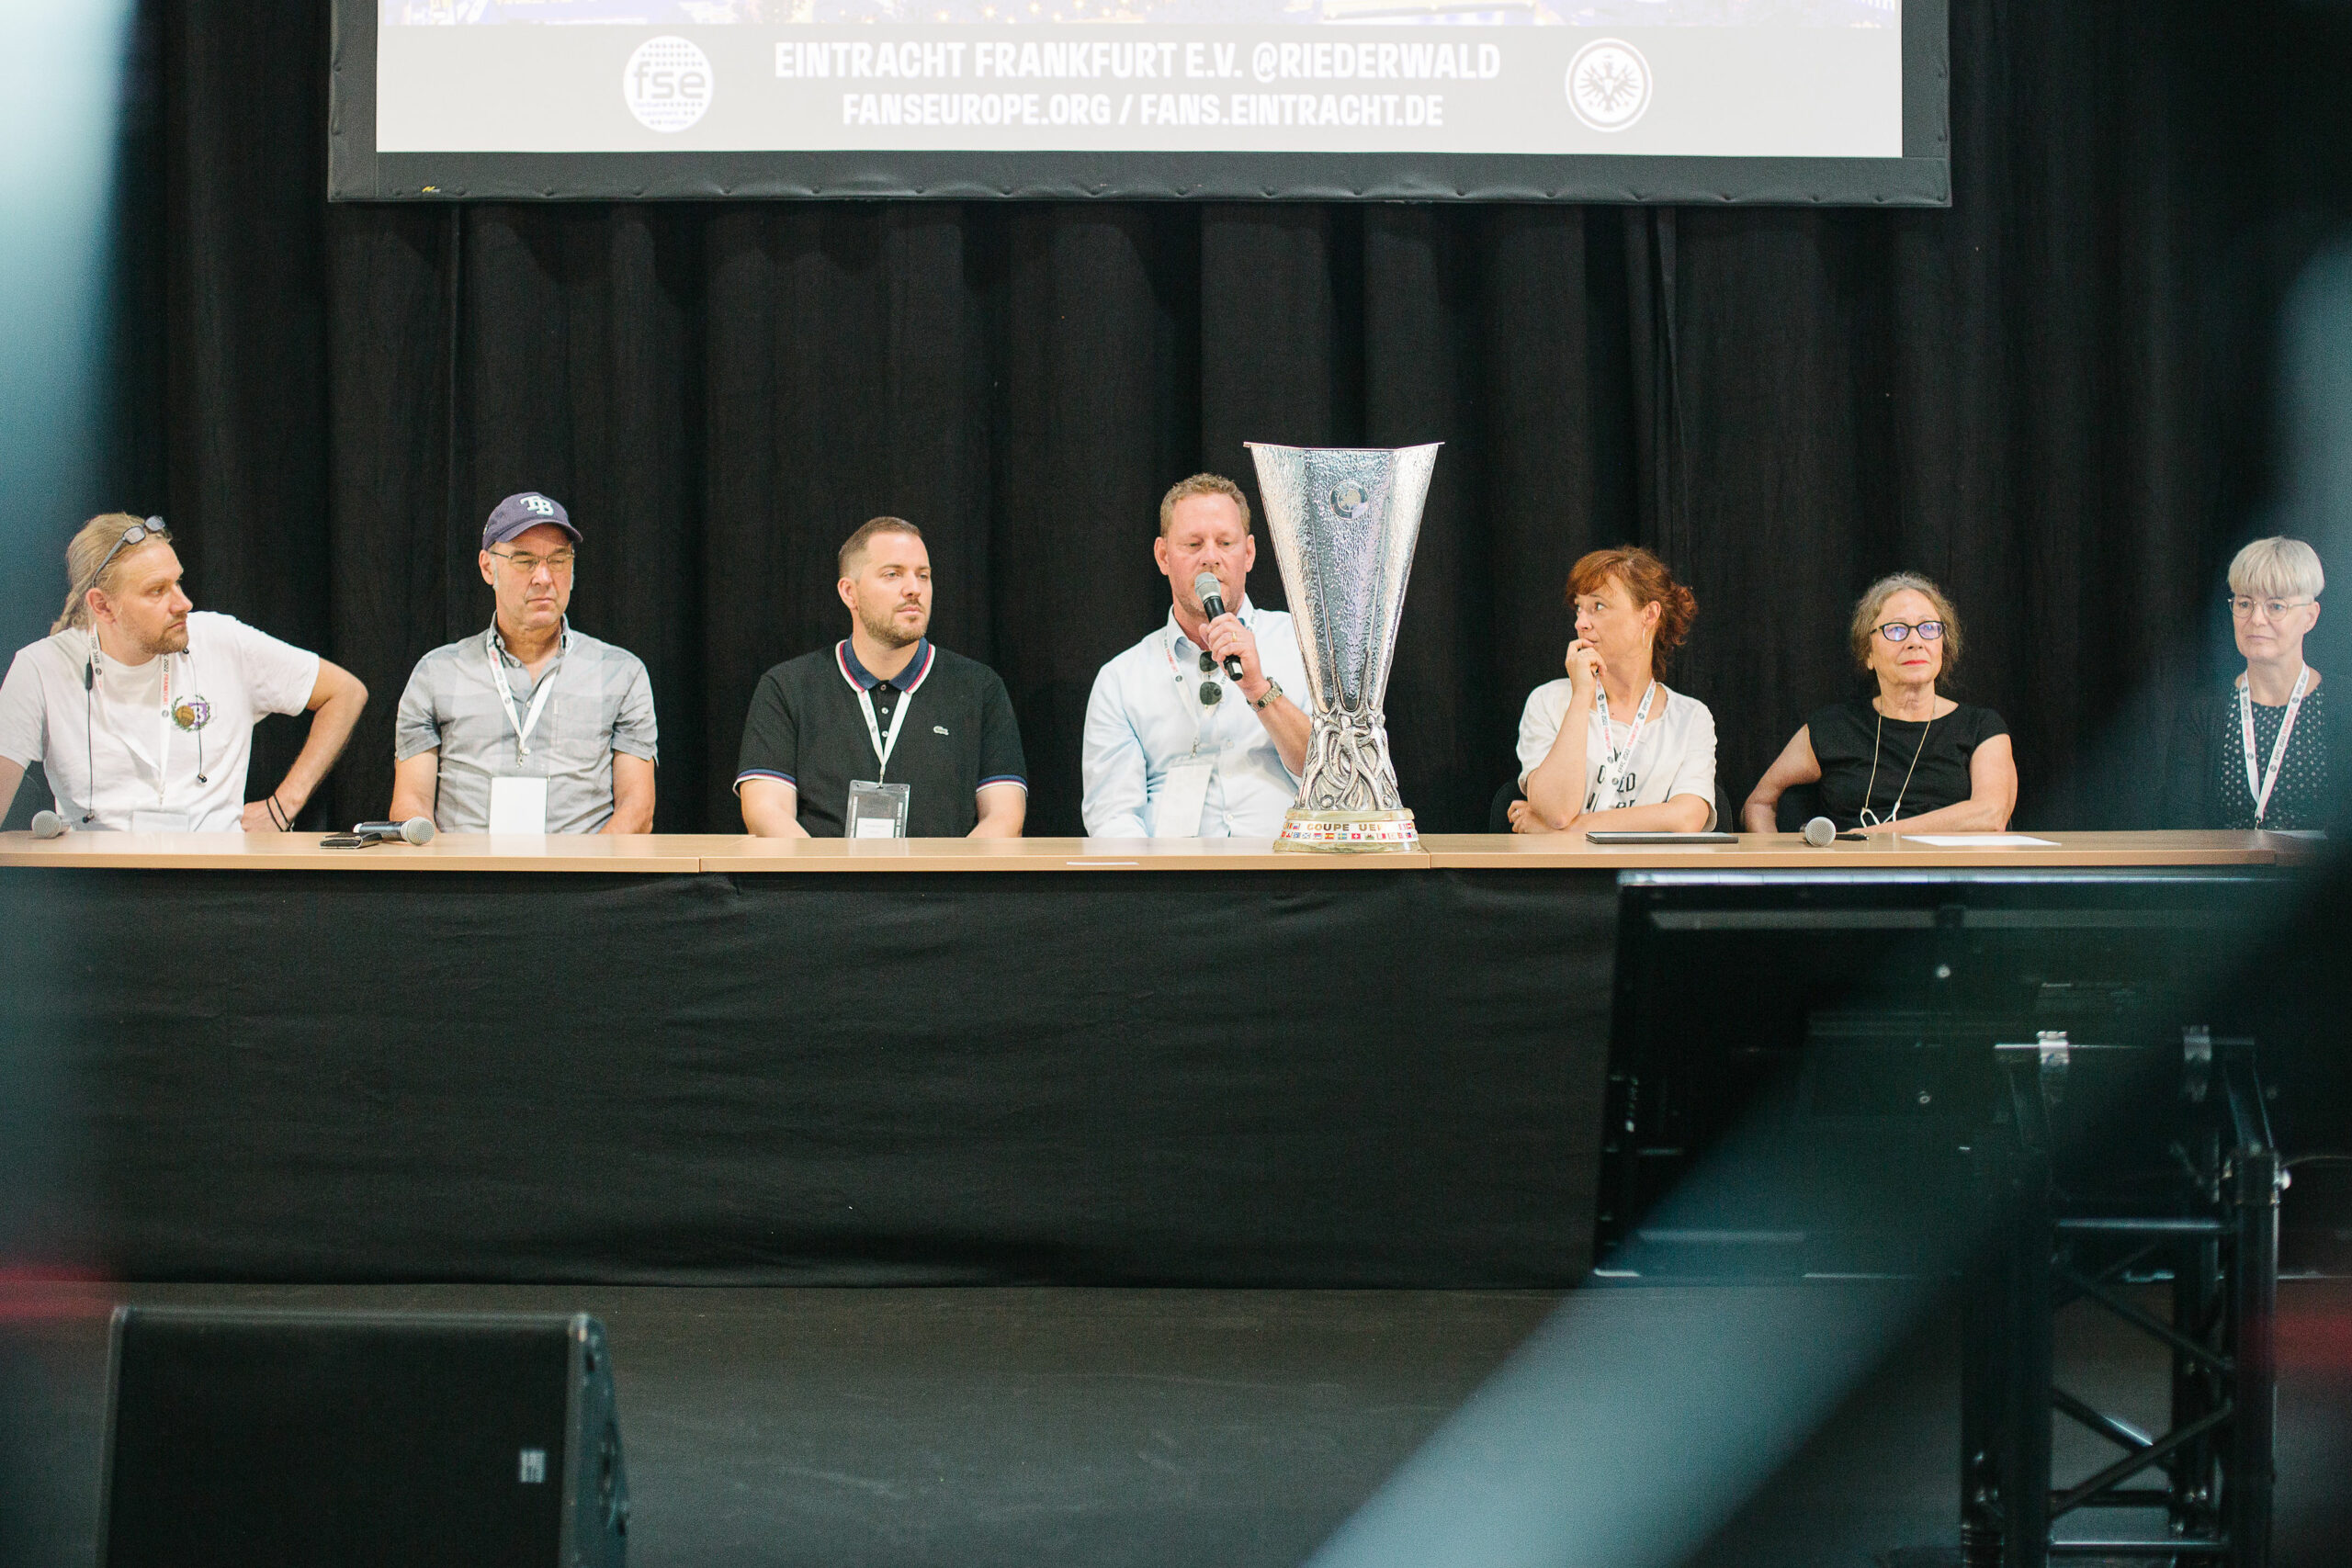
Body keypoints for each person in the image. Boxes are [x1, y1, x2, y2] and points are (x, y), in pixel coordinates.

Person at [0, 513, 367, 831]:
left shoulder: (222, 640)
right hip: (96, 888)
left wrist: (283, 806)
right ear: (103, 606)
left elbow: (345, 692)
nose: (183, 603)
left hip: (215, 882)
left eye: (177, 582)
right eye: (157, 591)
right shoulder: (41, 668)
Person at [737, 517, 1026, 838]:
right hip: (822, 885)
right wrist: (831, 882)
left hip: (942, 886)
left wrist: (948, 883)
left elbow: (1004, 816)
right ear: (850, 593)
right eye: (893, 574)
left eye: (923, 575)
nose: (914, 588)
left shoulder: (979, 688)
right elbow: (765, 811)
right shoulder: (787, 687)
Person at [390, 492, 658, 835]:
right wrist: (451, 878)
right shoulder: (437, 673)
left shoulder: (621, 673)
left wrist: (580, 879)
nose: (544, 577)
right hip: (465, 880)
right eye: (525, 560)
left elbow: (637, 810)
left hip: (584, 881)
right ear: (488, 567)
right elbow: (410, 805)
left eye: (559, 559)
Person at [1081, 473, 1317, 839]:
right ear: (1163, 556)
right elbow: (1112, 818)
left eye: (1225, 542)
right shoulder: (1121, 679)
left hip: (1285, 880)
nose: (1211, 557)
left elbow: (1334, 777)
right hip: (1174, 886)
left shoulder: (1303, 647)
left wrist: (1258, 688)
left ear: (1249, 553)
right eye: (1193, 544)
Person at [1743, 573, 2017, 835]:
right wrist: (1781, 869)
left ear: (1943, 646)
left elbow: (1991, 815)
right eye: (1896, 630)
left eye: (1928, 628)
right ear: (1868, 654)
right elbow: (1759, 804)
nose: (1915, 641)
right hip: (1851, 880)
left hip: (1951, 880)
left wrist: (1873, 836)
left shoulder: (1981, 727)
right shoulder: (1831, 728)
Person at [1509, 546, 1718, 834]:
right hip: (1566, 878)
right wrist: (1582, 695)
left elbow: (1685, 819)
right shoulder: (1547, 702)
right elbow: (1557, 812)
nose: (1581, 623)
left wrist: (1565, 831)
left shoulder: (1691, 717)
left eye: (1598, 606)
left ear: (1649, 615)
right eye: (1579, 608)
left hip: (1649, 876)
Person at [2164, 536, 2346, 831]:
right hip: (2224, 875)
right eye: (2245, 603)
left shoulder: (2344, 704)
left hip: (2323, 876)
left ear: (2310, 617)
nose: (2256, 619)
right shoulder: (2204, 711)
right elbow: (2180, 828)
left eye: (2275, 606)